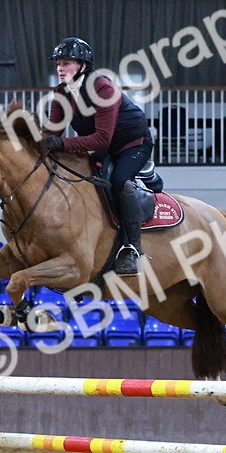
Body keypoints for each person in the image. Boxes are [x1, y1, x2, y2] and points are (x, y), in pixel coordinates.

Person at [39, 37, 152, 276]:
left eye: (66, 62)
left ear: (82, 65)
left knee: (120, 182)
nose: (60, 67)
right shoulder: (60, 93)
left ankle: (133, 249)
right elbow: (52, 133)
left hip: (133, 144)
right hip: (104, 148)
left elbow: (102, 139)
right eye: (58, 62)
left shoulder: (102, 88)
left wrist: (60, 143)